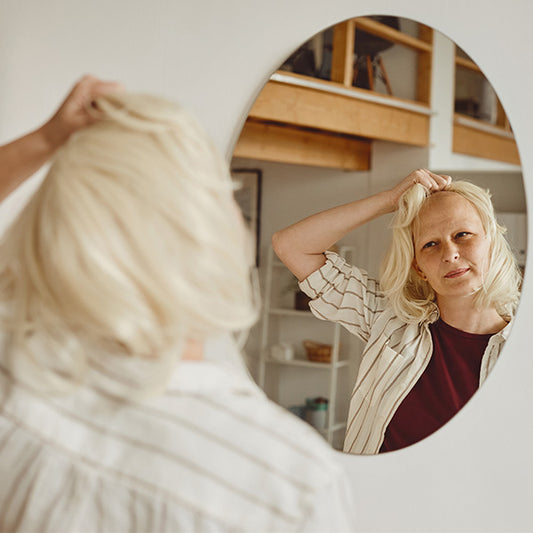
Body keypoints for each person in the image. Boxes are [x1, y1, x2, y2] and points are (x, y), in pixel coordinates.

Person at [0, 78, 356, 532]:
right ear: (201, 230)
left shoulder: (13, 368)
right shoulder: (286, 482)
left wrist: (45, 141)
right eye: (223, 191)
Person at [273, 168, 521, 455]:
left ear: (490, 243)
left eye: (463, 234)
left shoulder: (520, 352)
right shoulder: (389, 320)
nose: (450, 253)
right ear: (419, 268)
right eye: (431, 244)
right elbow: (291, 245)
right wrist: (389, 200)